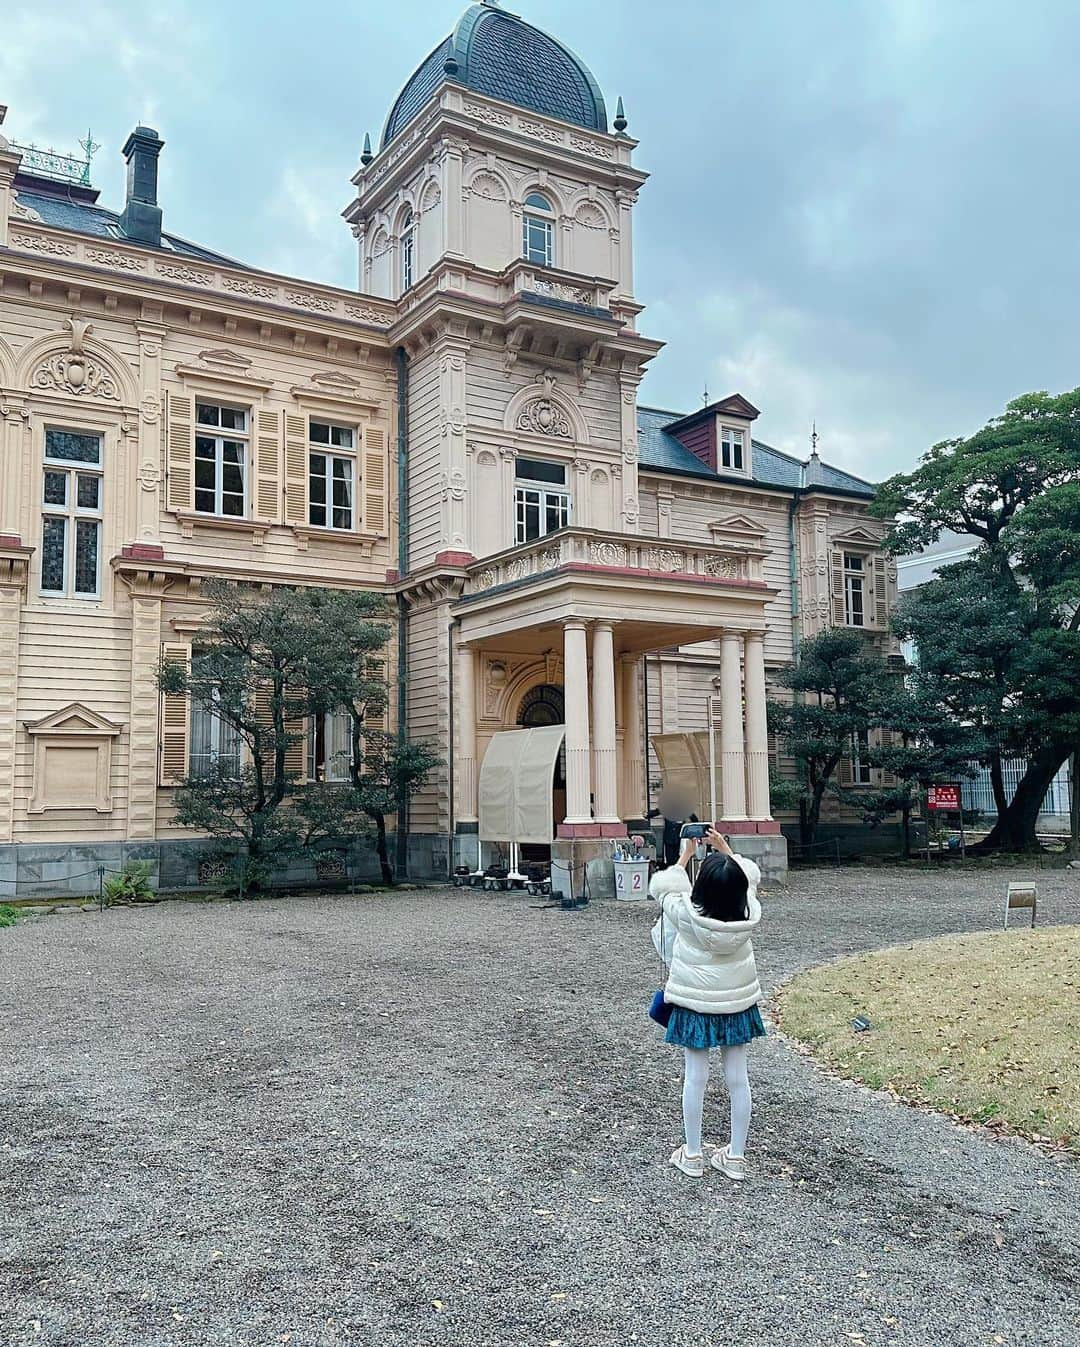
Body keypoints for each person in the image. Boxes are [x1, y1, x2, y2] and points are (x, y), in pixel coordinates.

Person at [648, 828, 765, 1180]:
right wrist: (726, 850)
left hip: (693, 1004)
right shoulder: (749, 912)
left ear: (700, 889)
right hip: (737, 1003)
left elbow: (663, 889)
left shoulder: (685, 912)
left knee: (695, 1078)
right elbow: (748, 879)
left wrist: (686, 856)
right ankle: (736, 1158)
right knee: (738, 1079)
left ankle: (694, 1155)